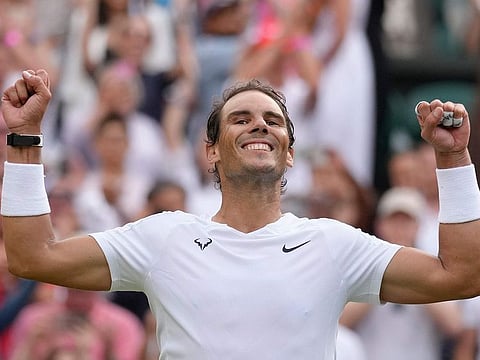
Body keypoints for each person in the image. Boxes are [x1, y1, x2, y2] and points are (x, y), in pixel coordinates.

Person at [2, 70, 480, 359]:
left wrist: (454, 160)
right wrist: (24, 138)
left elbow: (461, 275)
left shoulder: (336, 244)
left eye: (273, 120)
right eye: (241, 118)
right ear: (211, 151)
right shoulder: (163, 237)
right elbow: (33, 257)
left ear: (290, 153)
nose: (259, 124)